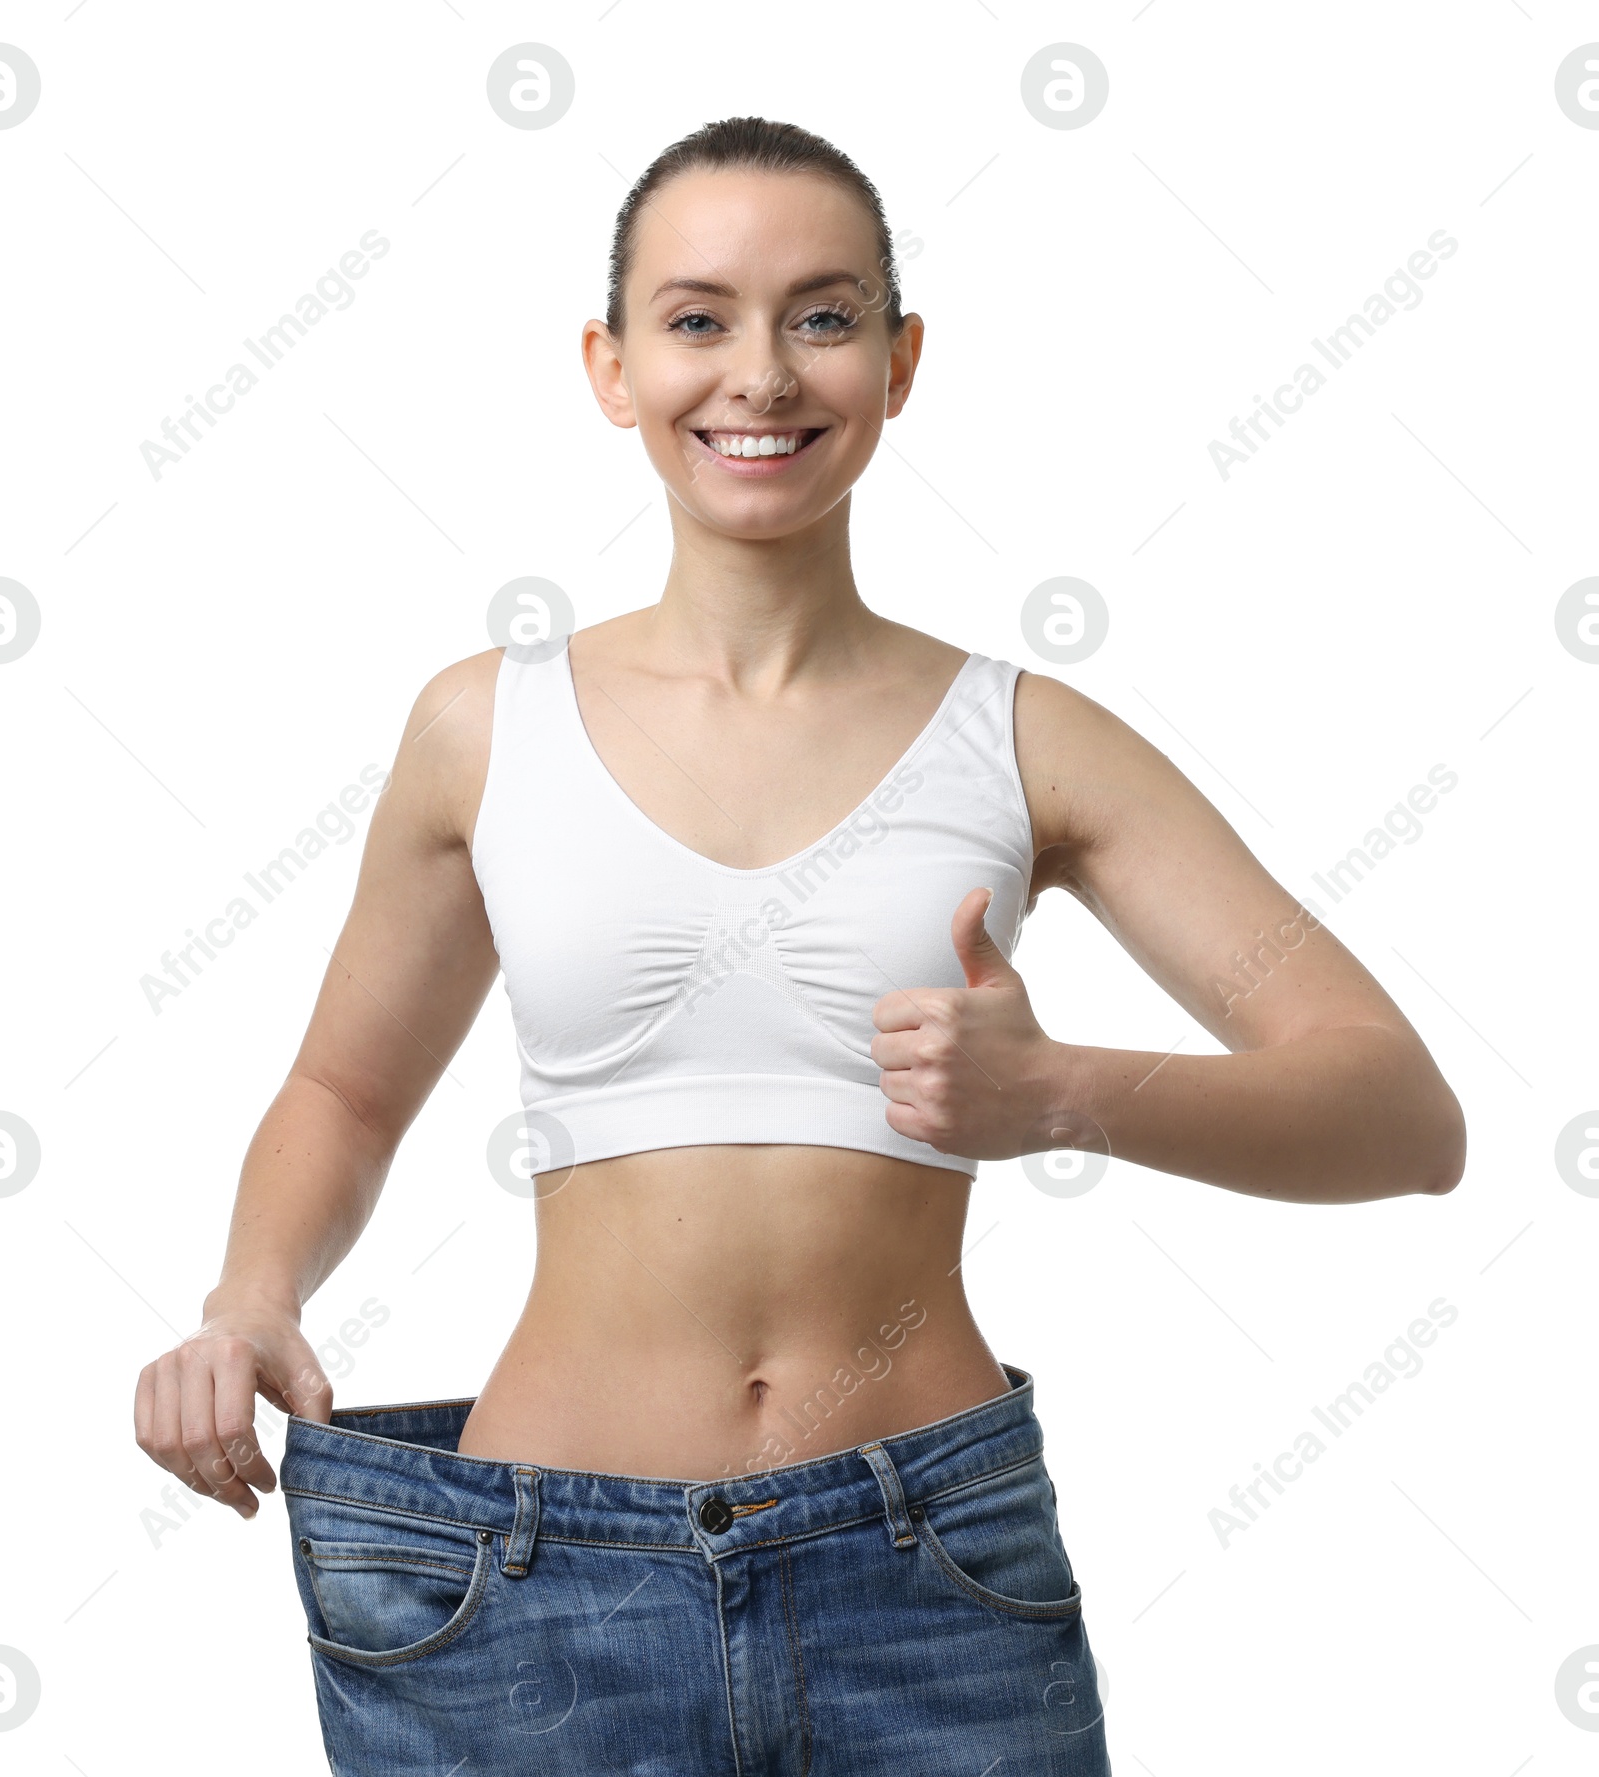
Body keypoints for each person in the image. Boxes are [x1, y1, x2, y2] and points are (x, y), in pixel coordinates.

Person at [133, 116, 1466, 1774]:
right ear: (611, 368)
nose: (758, 373)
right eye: (697, 319)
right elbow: (342, 1088)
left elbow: (1404, 1116)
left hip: (929, 1578)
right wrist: (252, 1297)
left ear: (900, 365)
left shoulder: (1029, 740)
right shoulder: (484, 728)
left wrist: (1058, 1093)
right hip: (538, 1584)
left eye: (822, 318)